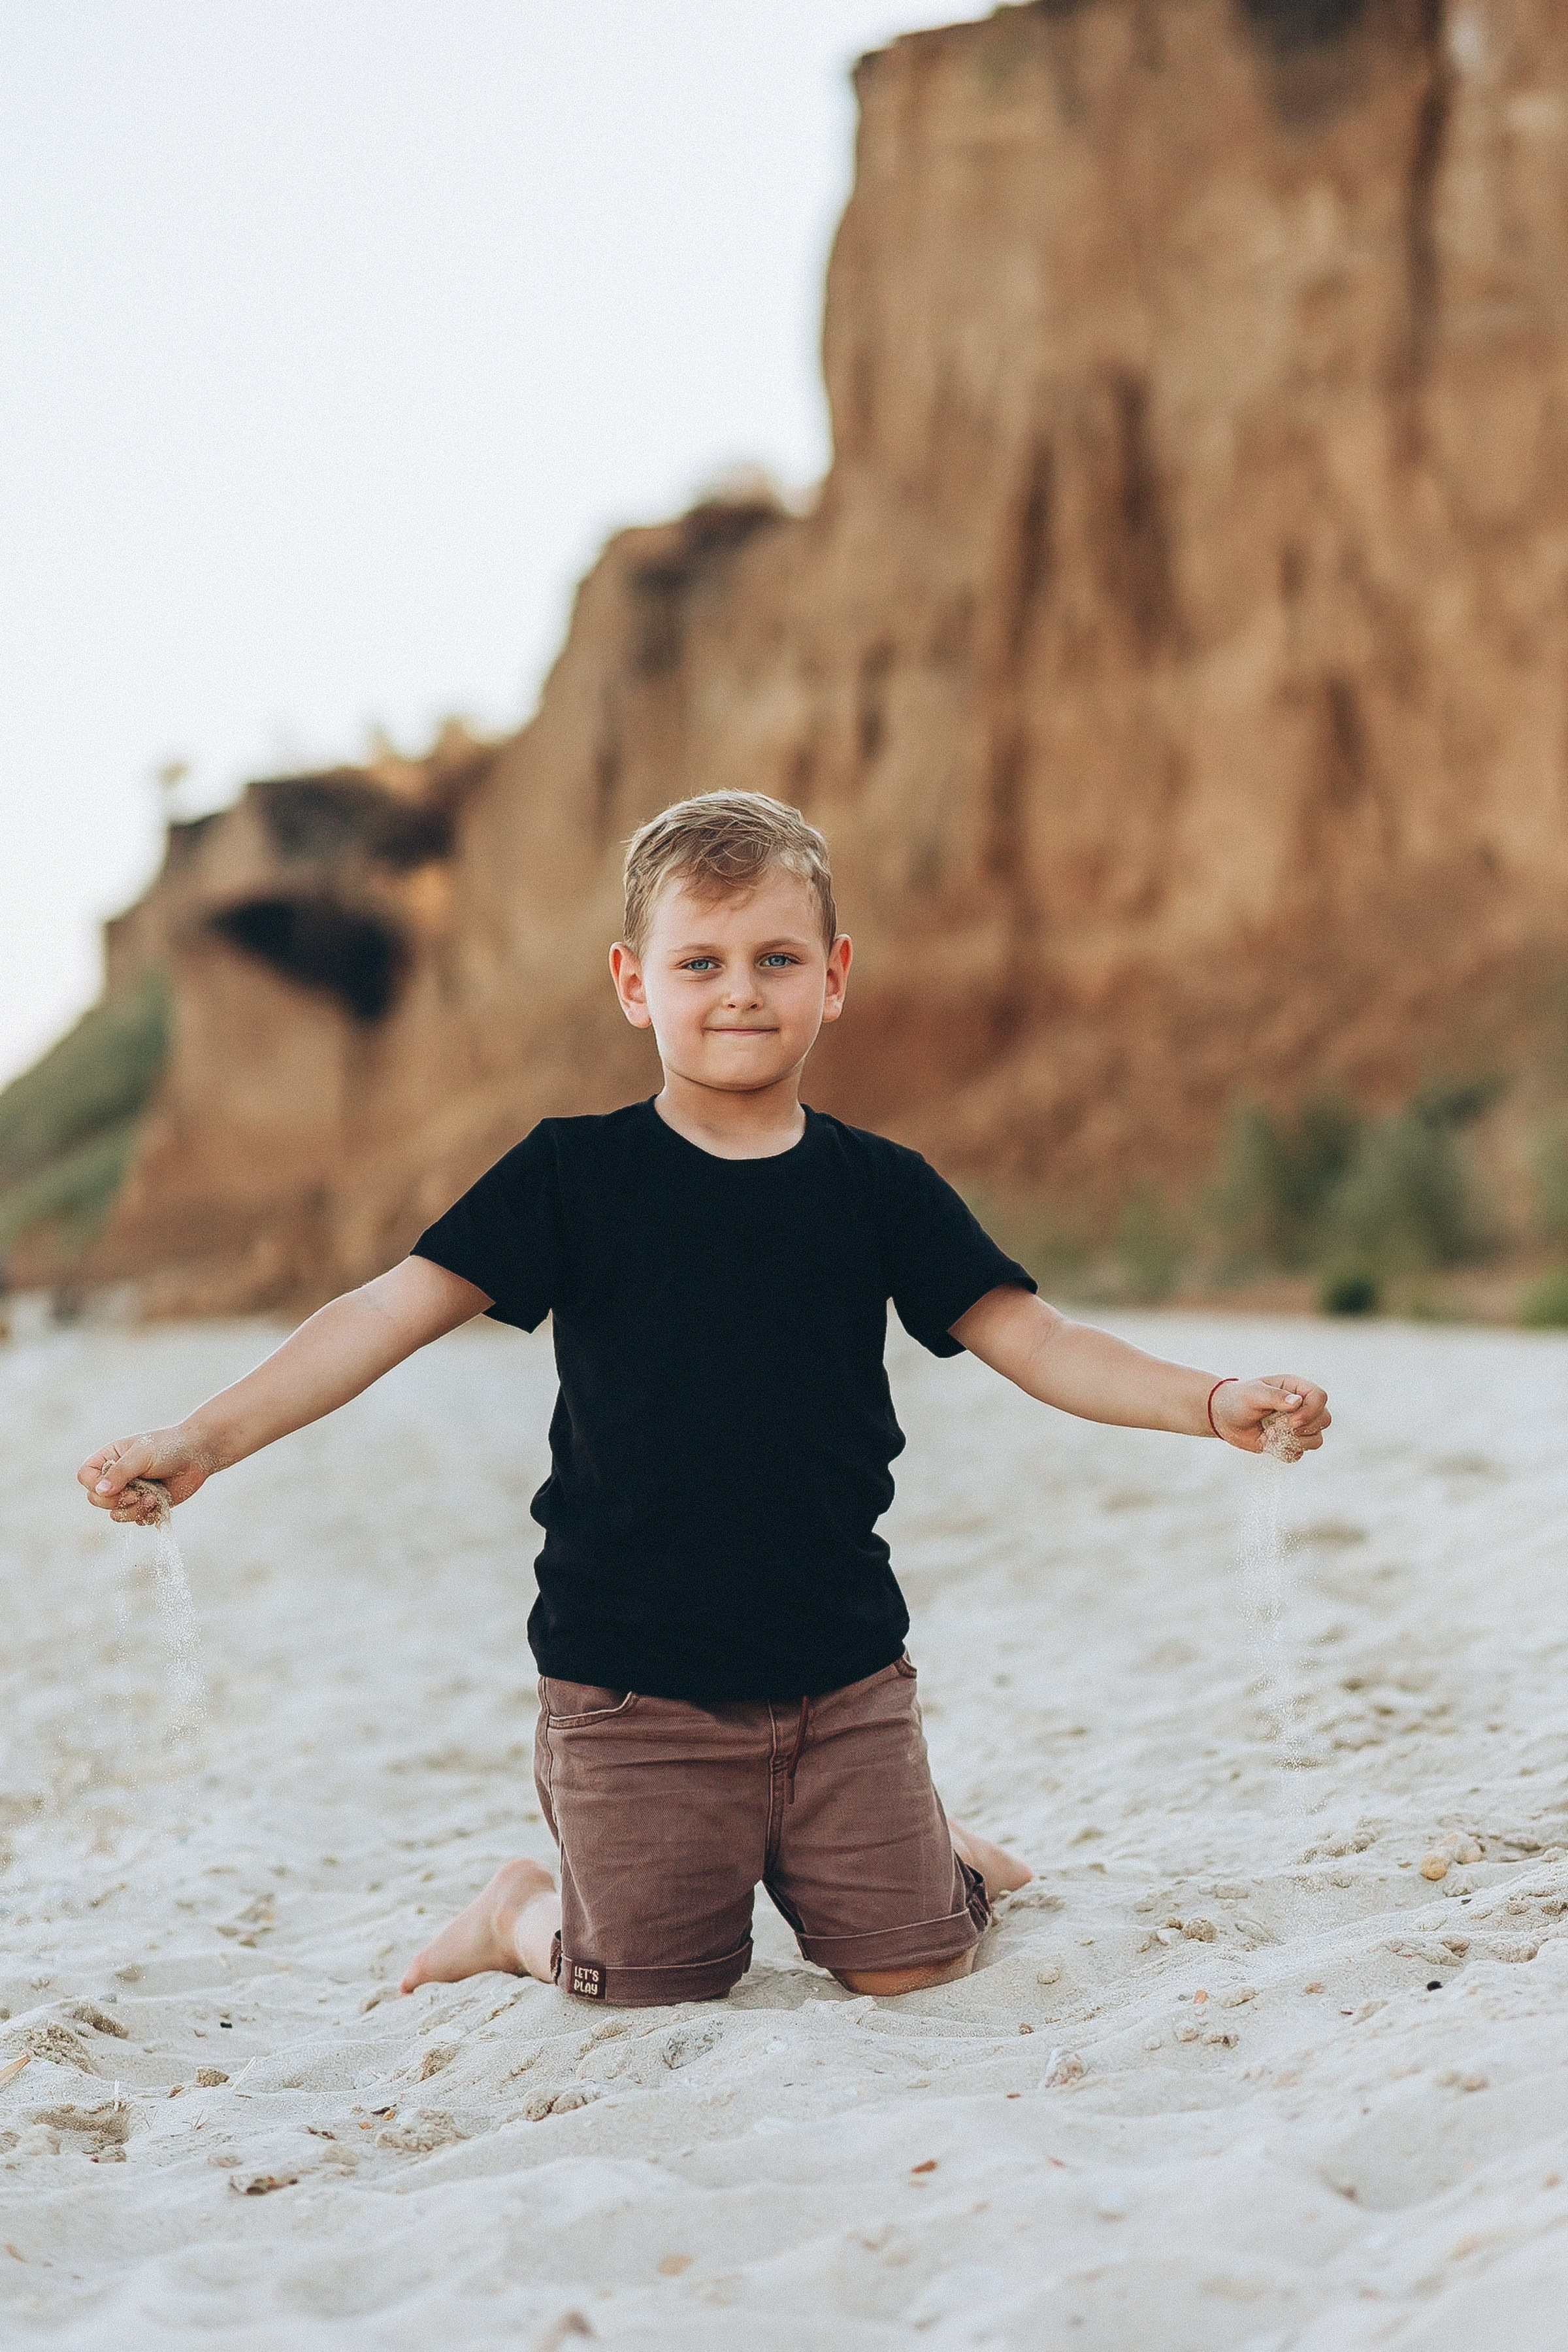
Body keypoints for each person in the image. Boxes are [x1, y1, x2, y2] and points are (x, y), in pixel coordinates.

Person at [79, 792, 1331, 2008]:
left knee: (911, 1968)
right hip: (634, 1694)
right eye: (701, 963)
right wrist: (205, 1438)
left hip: (843, 1680)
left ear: (834, 977)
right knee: (643, 1987)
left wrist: (1211, 1398)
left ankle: (930, 1856)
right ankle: (516, 1911)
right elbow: (380, 1314)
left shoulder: (881, 1187)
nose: (741, 990)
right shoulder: (571, 1174)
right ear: (635, 985)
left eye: (777, 958)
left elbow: (1038, 1338)